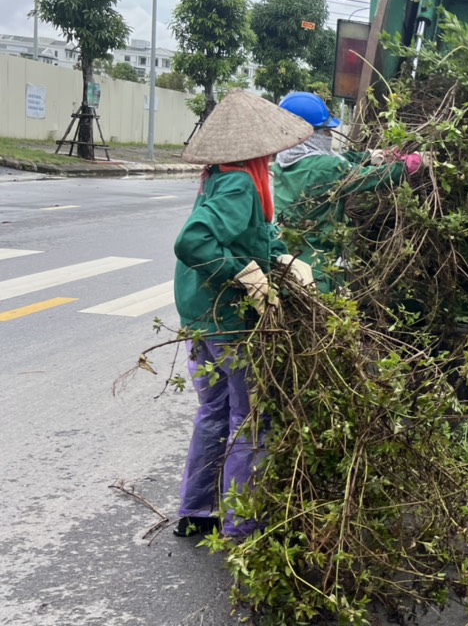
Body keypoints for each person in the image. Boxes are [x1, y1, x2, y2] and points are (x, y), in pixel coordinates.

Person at [172, 89, 316, 539]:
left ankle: (197, 512)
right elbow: (193, 243)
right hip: (230, 324)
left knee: (214, 413)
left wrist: (281, 258)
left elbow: (248, 237)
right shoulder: (239, 183)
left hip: (202, 321)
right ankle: (241, 528)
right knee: (249, 420)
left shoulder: (219, 175)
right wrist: (245, 275)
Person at [272, 91, 422, 292]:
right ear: (308, 134)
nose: (329, 135)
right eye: (325, 131)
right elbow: (367, 178)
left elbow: (335, 159)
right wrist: (406, 166)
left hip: (291, 255)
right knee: (322, 310)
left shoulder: (286, 160)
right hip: (315, 263)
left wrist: (367, 156)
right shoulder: (324, 168)